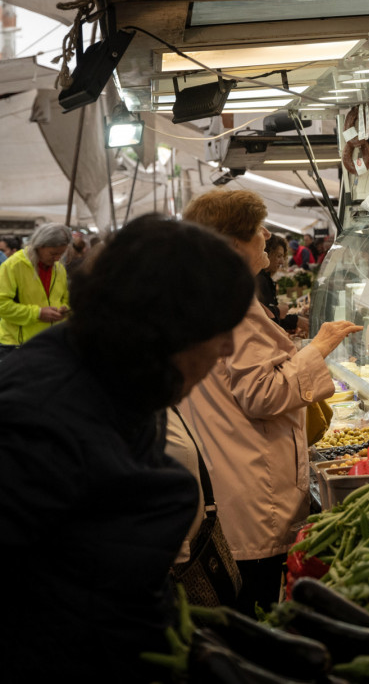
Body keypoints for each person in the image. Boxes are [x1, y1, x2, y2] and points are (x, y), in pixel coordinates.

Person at [0, 214, 255, 681]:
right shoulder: (39, 423)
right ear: (169, 329)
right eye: (221, 330)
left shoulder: (115, 377)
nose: (227, 349)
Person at [178, 189, 361, 615]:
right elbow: (262, 394)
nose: (265, 236)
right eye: (257, 230)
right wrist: (319, 347)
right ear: (233, 244)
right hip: (251, 491)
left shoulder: (202, 296)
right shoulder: (234, 307)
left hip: (230, 475)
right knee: (256, 613)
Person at [0, 222, 72, 360]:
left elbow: (65, 298)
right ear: (40, 245)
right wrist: (37, 313)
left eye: (61, 254)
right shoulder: (13, 266)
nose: (57, 258)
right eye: (53, 253)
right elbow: (2, 305)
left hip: (48, 341)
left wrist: (65, 309)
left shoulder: (59, 268)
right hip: (16, 344)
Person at [258, 232, 308, 335]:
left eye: (282, 257)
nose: (281, 262)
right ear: (267, 254)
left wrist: (295, 320)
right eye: (278, 256)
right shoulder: (259, 280)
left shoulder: (265, 279)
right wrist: (279, 311)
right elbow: (262, 318)